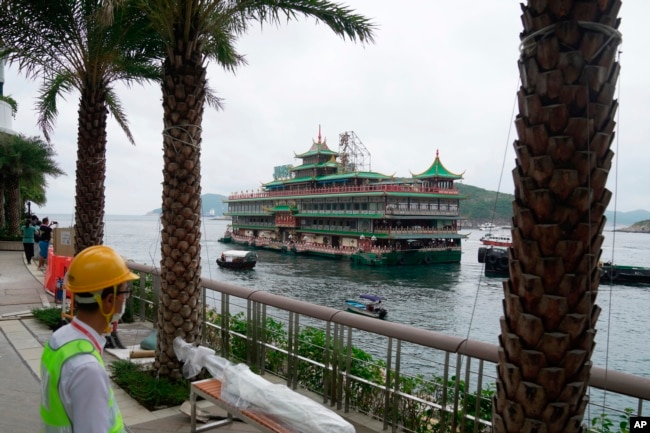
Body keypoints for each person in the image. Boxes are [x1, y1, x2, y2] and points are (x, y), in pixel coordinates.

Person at [40, 245, 138, 433]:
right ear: (109, 300)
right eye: (125, 293)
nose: (125, 300)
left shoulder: (59, 339)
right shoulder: (87, 368)